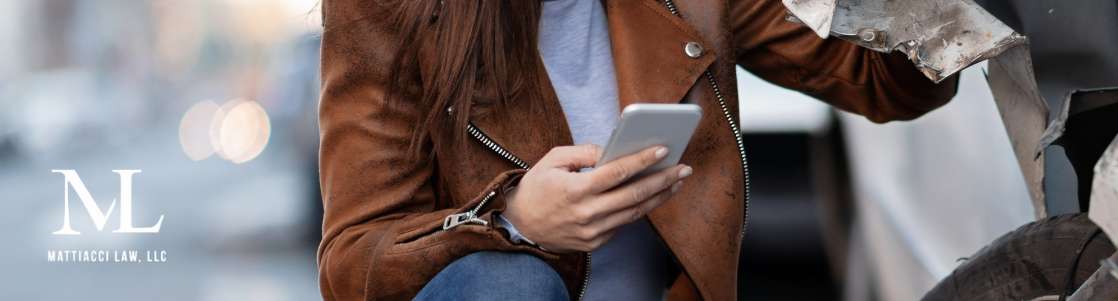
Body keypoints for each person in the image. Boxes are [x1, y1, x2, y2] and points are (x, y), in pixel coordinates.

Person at [315, 0, 957, 299]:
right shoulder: (386, 9)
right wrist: (515, 223)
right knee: (508, 285)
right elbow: (352, 259)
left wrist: (922, 16)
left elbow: (891, 81)